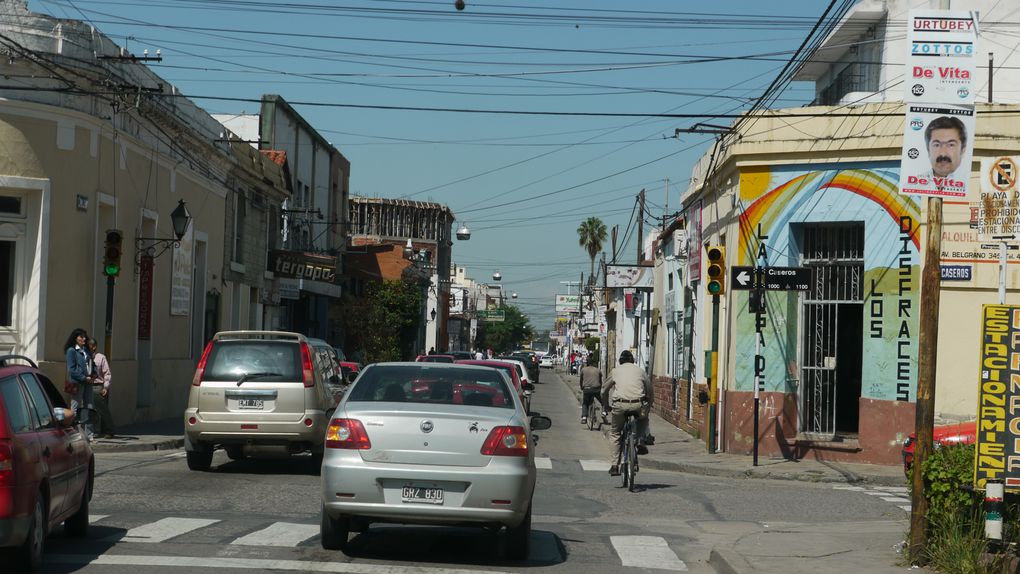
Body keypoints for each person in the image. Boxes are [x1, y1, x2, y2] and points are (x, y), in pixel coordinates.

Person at [601, 349, 653, 476]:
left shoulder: (615, 371)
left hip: (619, 405)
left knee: (615, 433)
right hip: (637, 405)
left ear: (620, 361)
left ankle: (614, 465)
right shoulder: (640, 371)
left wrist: (606, 406)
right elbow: (649, 390)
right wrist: (649, 404)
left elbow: (603, 391)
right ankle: (640, 439)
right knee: (643, 419)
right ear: (632, 361)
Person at [64, 328, 96, 442]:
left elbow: (93, 364)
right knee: (75, 408)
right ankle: (73, 433)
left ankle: (89, 435)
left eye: (84, 337)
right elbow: (72, 369)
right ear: (75, 338)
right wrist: (84, 378)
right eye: (81, 337)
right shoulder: (71, 351)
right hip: (78, 382)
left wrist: (94, 375)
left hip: (88, 382)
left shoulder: (86, 350)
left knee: (89, 407)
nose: (84, 339)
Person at [87, 337, 116, 439]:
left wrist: (106, 387)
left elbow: (107, 373)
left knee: (102, 409)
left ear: (94, 347)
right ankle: (91, 431)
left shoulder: (101, 357)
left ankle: (109, 430)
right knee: (88, 409)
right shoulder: (84, 357)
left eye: (89, 345)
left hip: (97, 386)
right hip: (86, 385)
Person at [578, 355, 603, 425]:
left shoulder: (583, 369)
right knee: (601, 401)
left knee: (585, 402)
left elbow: (581, 380)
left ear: (587, 363)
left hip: (586, 389)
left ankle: (584, 417)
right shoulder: (598, 370)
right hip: (596, 389)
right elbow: (600, 380)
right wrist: (599, 388)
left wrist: (581, 387)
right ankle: (604, 411)